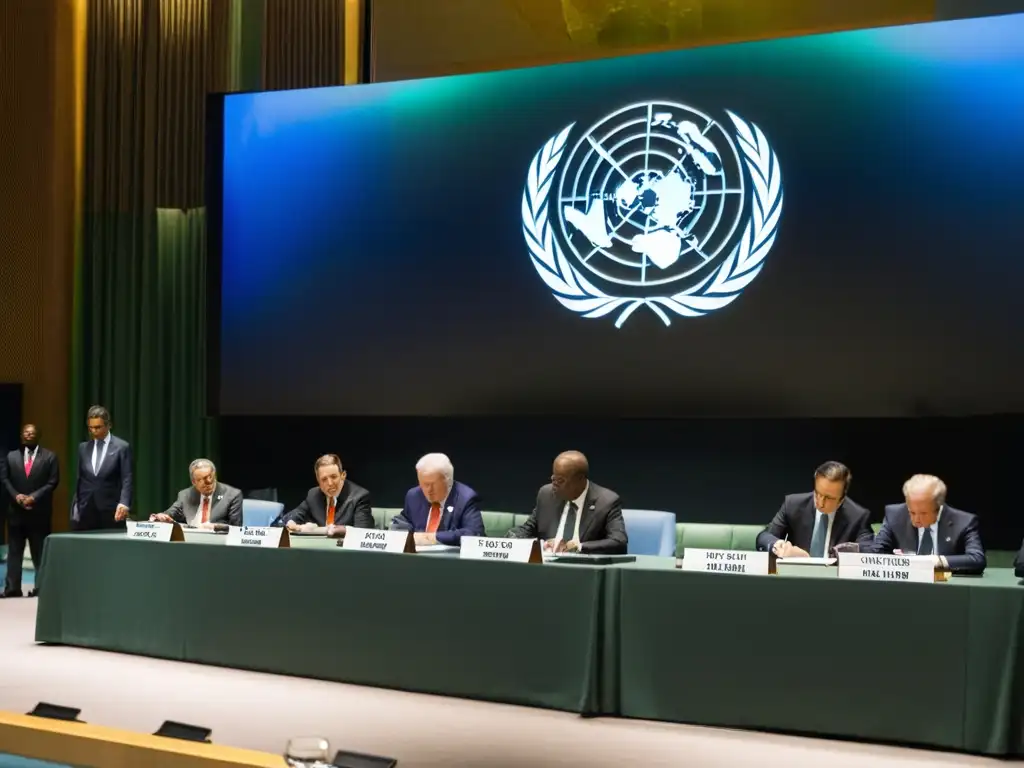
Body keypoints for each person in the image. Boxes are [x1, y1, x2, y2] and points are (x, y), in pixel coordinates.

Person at [507, 450, 627, 554]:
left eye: (560, 480)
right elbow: (527, 530)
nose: (554, 485)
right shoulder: (546, 495)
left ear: (580, 479)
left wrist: (578, 547)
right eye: (553, 478)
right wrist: (510, 539)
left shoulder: (606, 502)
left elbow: (619, 542)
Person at [756, 461, 874, 558]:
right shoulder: (793, 505)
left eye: (828, 498)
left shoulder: (858, 516)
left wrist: (837, 554)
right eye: (817, 493)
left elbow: (868, 551)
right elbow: (764, 536)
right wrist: (778, 545)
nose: (820, 502)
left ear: (842, 499)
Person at [872, 474, 985, 574]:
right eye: (912, 512)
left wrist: (930, 562)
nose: (916, 519)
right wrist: (901, 562)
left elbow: (976, 559)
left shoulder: (964, 522)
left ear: (939, 506)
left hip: (946, 586)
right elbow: (876, 553)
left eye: (923, 513)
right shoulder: (894, 515)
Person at [1, 424, 59, 597]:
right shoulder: (11, 457)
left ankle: (41, 588)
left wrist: (34, 496)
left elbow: (53, 482)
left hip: (38, 512)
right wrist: (17, 496)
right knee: (14, 552)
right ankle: (12, 588)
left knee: (39, 553)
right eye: (26, 432)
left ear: (38, 435)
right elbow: (4, 479)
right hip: (16, 512)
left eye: (32, 432)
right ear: (21, 436)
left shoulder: (50, 457)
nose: (28, 434)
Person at [391, 453, 483, 546]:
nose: (429, 490)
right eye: (424, 484)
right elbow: (402, 523)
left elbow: (474, 533)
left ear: (448, 480)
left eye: (433, 484)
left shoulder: (465, 498)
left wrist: (431, 538)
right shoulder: (414, 496)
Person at [72, 405, 133, 530]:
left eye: (98, 427)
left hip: (111, 508)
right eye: (91, 428)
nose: (94, 431)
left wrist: (124, 503)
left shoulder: (121, 447)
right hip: (86, 508)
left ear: (108, 425)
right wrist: (76, 505)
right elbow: (80, 478)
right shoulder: (83, 448)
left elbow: (127, 478)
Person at [285, 454, 373, 535]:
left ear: (343, 475)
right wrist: (291, 522)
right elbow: (291, 516)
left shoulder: (359, 496)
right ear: (318, 481)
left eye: (334, 477)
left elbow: (362, 532)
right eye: (324, 479)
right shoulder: (314, 494)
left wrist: (315, 530)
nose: (330, 483)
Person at [151, 459, 242, 528]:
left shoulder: (232, 495)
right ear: (194, 482)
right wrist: (162, 517)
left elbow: (236, 528)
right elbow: (170, 513)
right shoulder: (185, 495)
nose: (208, 483)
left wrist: (215, 527)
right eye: (201, 480)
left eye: (211, 478)